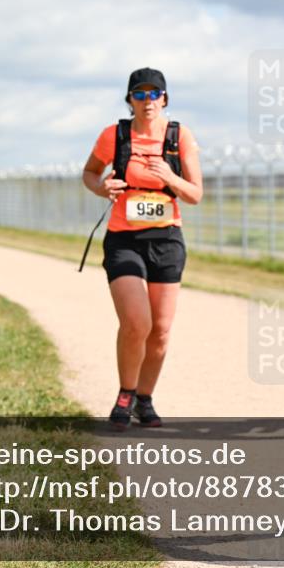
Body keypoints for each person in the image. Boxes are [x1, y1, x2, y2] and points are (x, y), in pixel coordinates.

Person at [82, 68, 203, 431]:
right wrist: (102, 188)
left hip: (166, 240)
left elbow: (195, 194)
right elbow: (89, 173)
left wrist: (169, 176)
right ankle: (125, 394)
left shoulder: (179, 136)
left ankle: (144, 400)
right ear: (130, 99)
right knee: (137, 322)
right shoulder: (114, 135)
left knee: (161, 331)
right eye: (140, 94)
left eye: (155, 94)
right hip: (124, 239)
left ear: (164, 99)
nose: (147, 101)